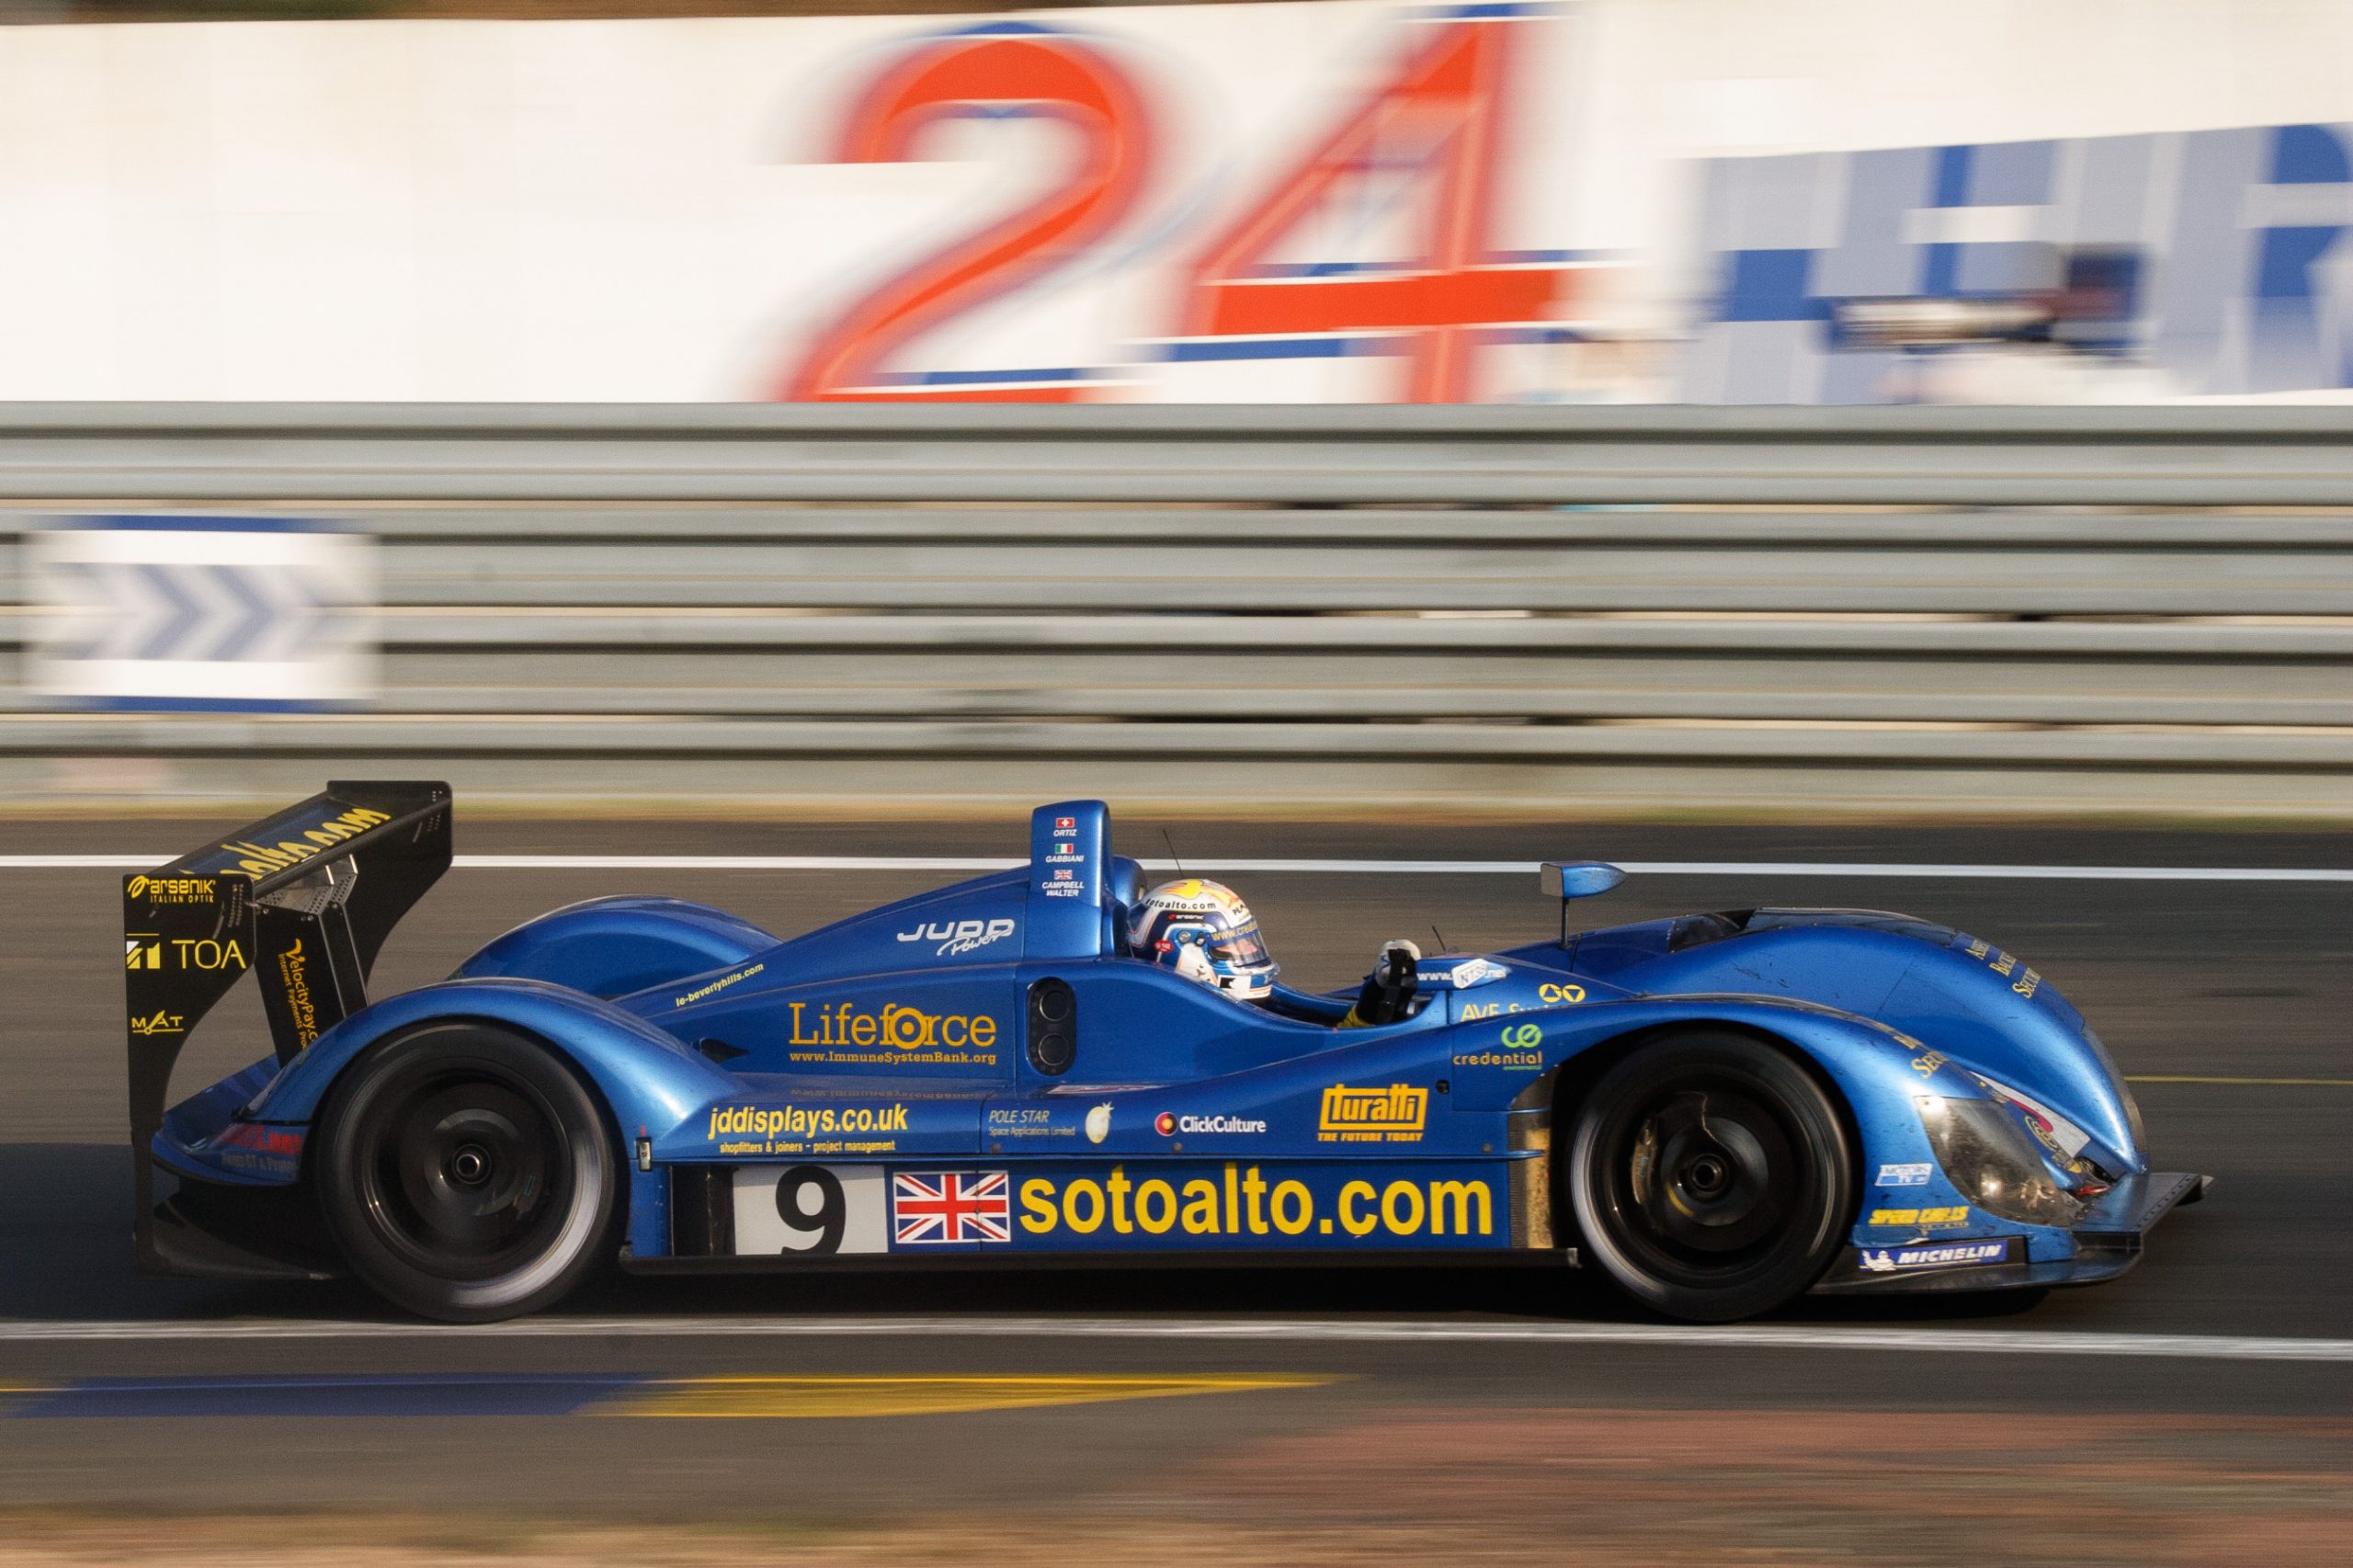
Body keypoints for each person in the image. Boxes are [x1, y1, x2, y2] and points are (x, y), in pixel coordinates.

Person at [1127, 879, 1419, 1026]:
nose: (1250, 951)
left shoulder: (1229, 1012)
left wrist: (1379, 994)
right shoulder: (1191, 1026)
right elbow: (1323, 1045)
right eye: (1232, 945)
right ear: (1179, 947)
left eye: (1250, 941)